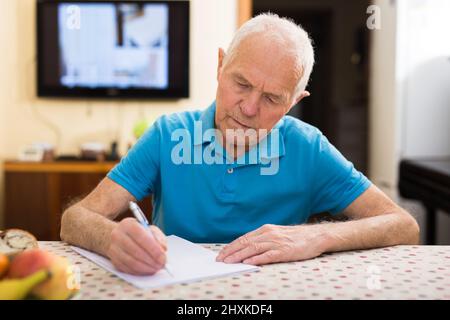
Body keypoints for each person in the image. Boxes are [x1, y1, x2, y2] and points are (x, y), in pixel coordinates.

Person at [61, 13, 419, 275]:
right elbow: (75, 220)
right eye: (242, 84)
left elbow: (403, 225)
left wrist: (318, 236)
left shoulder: (308, 147)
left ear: (294, 101)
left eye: (273, 99)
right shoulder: (168, 134)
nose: (248, 109)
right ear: (220, 65)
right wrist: (112, 239)